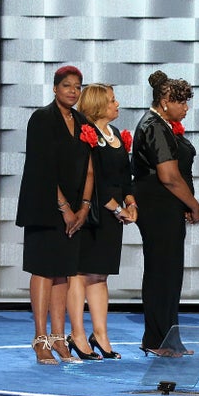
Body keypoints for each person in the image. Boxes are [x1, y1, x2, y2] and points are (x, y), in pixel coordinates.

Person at [16, 65, 91, 364]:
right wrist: (65, 209)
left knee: (63, 272)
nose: (72, 91)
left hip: (75, 211)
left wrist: (83, 208)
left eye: (77, 86)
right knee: (44, 270)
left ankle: (60, 339)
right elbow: (41, 168)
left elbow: (89, 168)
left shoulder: (83, 122)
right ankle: (40, 339)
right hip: (44, 206)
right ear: (55, 88)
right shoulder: (42, 119)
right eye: (66, 86)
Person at [132, 70, 199, 356]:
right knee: (163, 272)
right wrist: (195, 205)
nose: (186, 108)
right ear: (164, 101)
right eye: (182, 103)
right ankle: (157, 339)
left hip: (166, 206)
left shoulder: (163, 125)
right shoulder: (154, 126)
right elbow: (169, 176)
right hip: (158, 206)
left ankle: (165, 337)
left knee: (168, 272)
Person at [67, 84, 137, 360]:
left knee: (100, 275)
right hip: (94, 212)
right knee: (81, 274)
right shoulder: (87, 135)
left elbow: (123, 175)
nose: (117, 104)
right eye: (112, 100)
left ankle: (101, 335)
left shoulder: (115, 134)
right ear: (98, 104)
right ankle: (78, 336)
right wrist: (116, 207)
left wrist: (130, 203)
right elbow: (92, 178)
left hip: (114, 214)